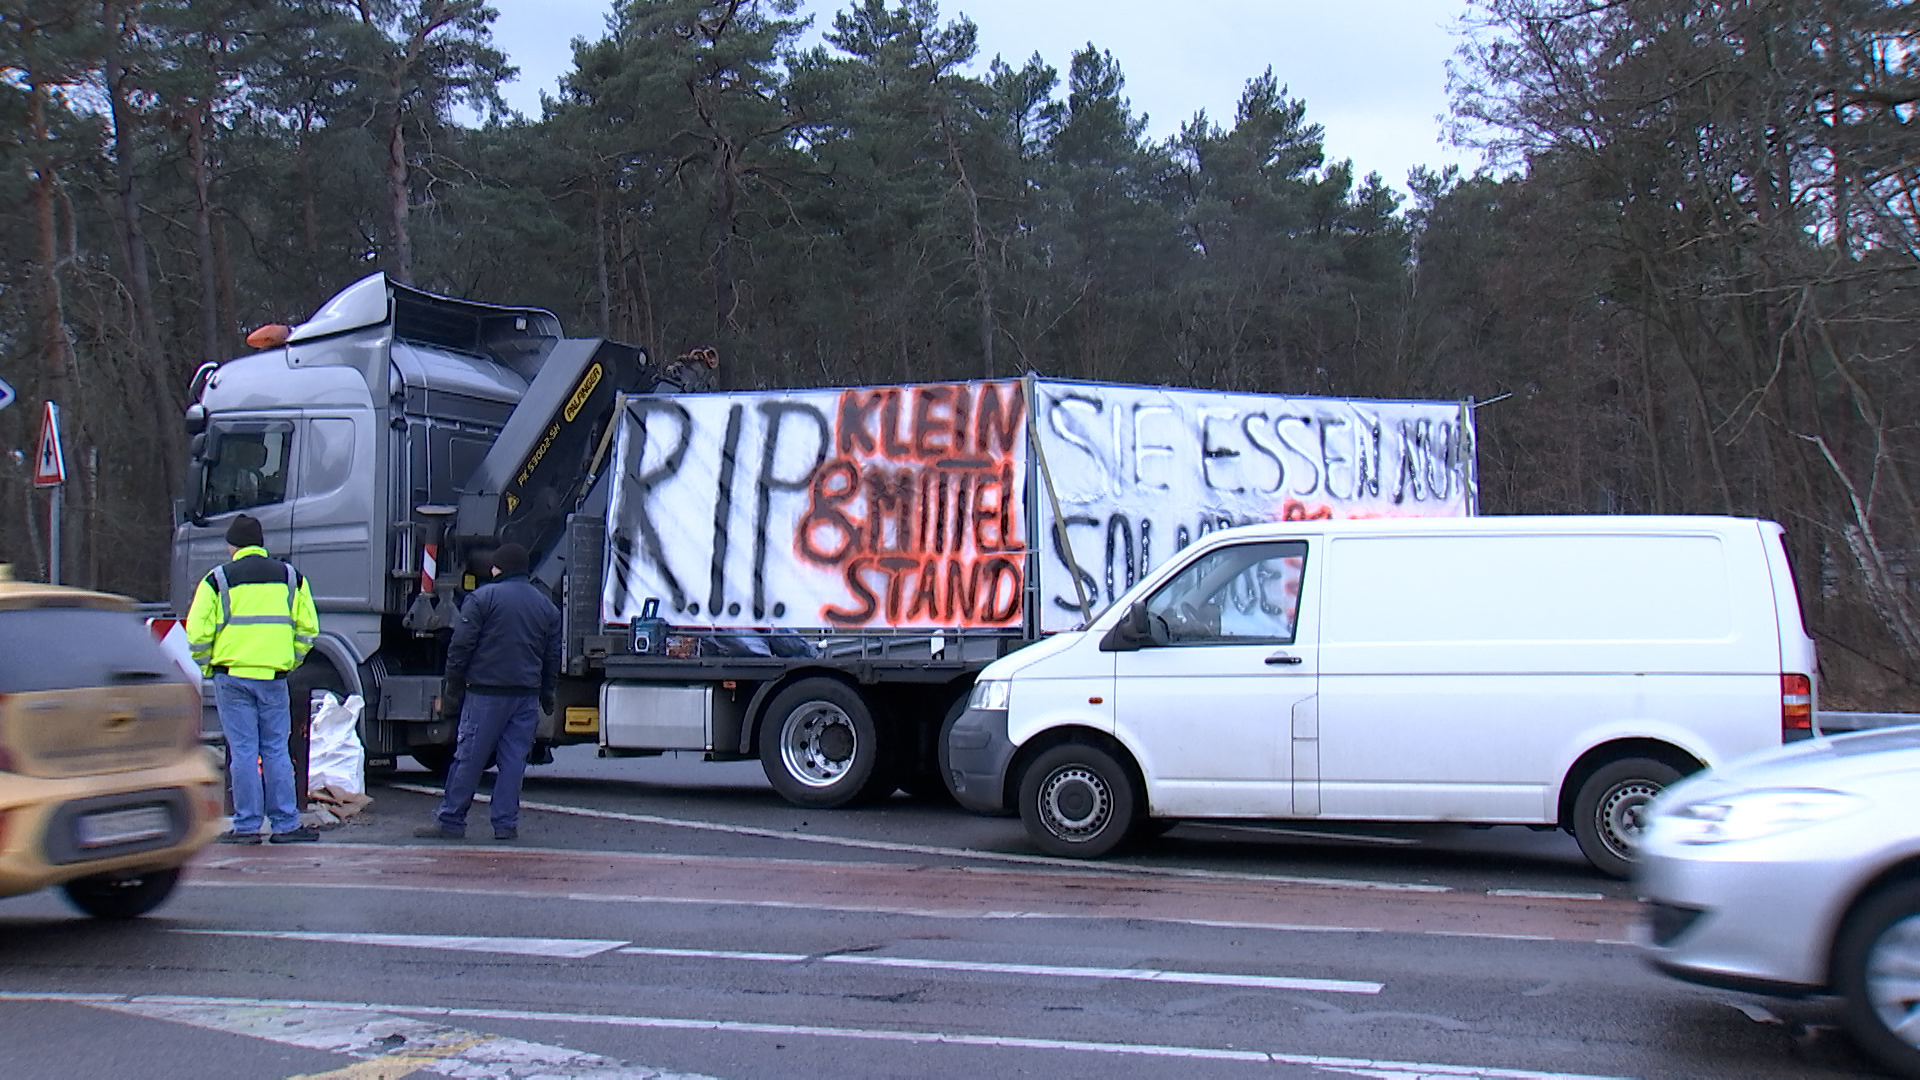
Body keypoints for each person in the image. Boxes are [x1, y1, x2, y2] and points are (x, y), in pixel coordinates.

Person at [186, 514, 321, 844]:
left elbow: (197, 634)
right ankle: (285, 824)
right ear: (261, 544)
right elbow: (308, 630)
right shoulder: (291, 578)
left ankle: (246, 826)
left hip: (232, 677)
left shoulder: (217, 580)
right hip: (274, 677)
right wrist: (290, 659)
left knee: (243, 750)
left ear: (232, 546)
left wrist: (207, 667)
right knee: (275, 748)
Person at [416, 542, 561, 842]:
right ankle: (505, 824)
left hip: (486, 693)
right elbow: (551, 655)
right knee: (512, 761)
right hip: (525, 695)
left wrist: (452, 688)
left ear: (499, 567)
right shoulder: (546, 606)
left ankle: (451, 820)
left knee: (470, 757)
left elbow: (461, 647)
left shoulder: (482, 598)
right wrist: (547, 693)